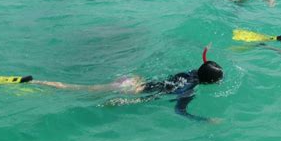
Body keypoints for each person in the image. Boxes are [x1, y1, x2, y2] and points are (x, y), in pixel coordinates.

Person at [14, 45, 224, 122]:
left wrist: (206, 53)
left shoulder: (191, 73)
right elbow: (180, 112)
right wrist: (203, 121)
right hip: (132, 90)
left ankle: (39, 83)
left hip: (135, 81)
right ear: (209, 81)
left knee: (85, 90)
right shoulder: (189, 90)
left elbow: (203, 66)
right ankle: (38, 83)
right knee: (77, 91)